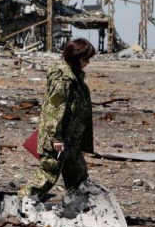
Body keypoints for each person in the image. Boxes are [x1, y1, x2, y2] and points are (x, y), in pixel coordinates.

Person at [18, 38, 96, 201]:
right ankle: (21, 205)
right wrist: (55, 139)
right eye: (85, 59)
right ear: (75, 58)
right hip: (58, 141)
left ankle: (81, 209)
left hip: (71, 141)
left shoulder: (75, 79)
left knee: (79, 179)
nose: (88, 63)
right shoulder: (63, 81)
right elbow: (53, 111)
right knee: (46, 177)